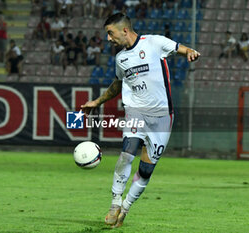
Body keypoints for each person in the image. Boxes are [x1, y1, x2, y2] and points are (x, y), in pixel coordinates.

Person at [81, 13, 200, 228]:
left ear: (124, 30)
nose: (108, 38)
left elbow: (182, 49)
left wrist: (190, 52)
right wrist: (97, 102)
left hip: (162, 117)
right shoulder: (121, 59)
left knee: (145, 170)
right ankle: (115, 202)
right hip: (135, 112)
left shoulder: (154, 42)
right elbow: (117, 85)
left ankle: (125, 207)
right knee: (127, 154)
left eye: (110, 33)